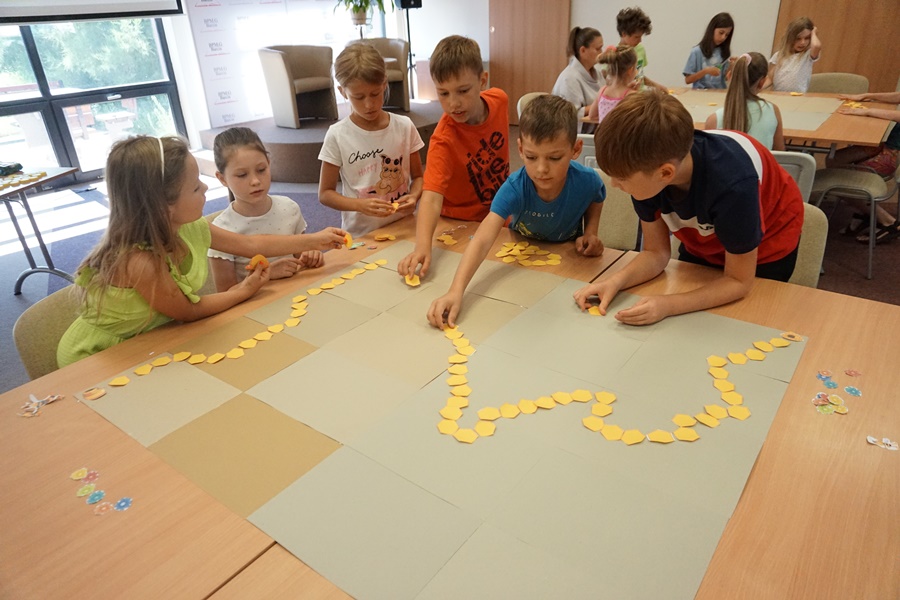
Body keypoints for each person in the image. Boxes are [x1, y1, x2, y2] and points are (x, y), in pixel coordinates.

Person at [57, 135, 347, 366]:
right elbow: (188, 311)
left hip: (153, 339)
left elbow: (250, 244)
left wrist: (315, 240)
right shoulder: (140, 262)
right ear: (163, 205)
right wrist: (243, 291)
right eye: (196, 187)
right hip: (99, 356)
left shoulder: (189, 226)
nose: (206, 189)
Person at [573, 92, 804, 325]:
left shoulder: (733, 185)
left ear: (665, 173)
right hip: (705, 238)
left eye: (621, 178)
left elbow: (739, 281)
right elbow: (656, 253)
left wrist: (668, 304)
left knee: (736, 323)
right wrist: (614, 282)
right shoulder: (647, 171)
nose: (613, 184)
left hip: (767, 246)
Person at [427, 94, 605, 329]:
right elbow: (481, 240)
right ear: (520, 149)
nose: (542, 169)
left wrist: (591, 231)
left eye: (554, 157)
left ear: (576, 149)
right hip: (521, 259)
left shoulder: (587, 180)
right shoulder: (515, 187)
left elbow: (597, 195)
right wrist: (455, 291)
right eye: (531, 157)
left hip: (567, 260)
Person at [398, 35, 510, 280]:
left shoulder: (500, 100)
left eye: (463, 91)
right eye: (443, 93)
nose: (453, 103)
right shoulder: (443, 140)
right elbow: (430, 199)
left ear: (482, 81)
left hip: (500, 211)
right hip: (460, 221)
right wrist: (422, 246)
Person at [318, 43, 424, 238]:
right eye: (358, 97)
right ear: (343, 92)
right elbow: (325, 193)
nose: (369, 104)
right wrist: (359, 205)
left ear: (384, 84)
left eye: (375, 94)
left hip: (404, 226)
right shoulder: (337, 135)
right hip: (362, 234)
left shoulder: (404, 126)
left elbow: (418, 177)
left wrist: (414, 196)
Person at [208, 127, 323, 292]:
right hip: (255, 308)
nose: (255, 181)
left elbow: (302, 257)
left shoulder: (289, 208)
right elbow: (225, 293)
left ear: (269, 163)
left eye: (261, 170)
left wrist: (312, 256)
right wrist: (268, 274)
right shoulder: (221, 231)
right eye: (242, 175)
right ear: (222, 179)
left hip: (298, 295)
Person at [828, 90, 900, 243]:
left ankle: (888, 222)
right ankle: (867, 213)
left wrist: (869, 112)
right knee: (833, 160)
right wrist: (867, 96)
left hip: (892, 155)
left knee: (836, 177)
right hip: (887, 146)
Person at [705, 52, 785, 151]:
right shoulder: (773, 111)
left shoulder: (714, 120)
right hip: (761, 166)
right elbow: (780, 154)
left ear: (729, 76)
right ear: (762, 82)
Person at [551, 27, 604, 126]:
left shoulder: (597, 73)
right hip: (573, 134)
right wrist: (602, 104)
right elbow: (571, 114)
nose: (601, 52)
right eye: (598, 49)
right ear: (583, 50)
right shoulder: (569, 78)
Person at [616, 6, 667, 93]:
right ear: (624, 34)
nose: (640, 40)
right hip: (627, 99)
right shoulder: (614, 54)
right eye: (636, 37)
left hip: (640, 96)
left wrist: (657, 86)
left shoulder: (640, 49)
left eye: (641, 36)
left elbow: (639, 75)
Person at [766, 17, 822, 93]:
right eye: (798, 38)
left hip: (798, 96)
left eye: (807, 38)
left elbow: (816, 46)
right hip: (778, 94)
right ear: (790, 38)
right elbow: (770, 78)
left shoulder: (808, 55)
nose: (803, 42)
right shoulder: (779, 55)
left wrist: (814, 32)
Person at [588, 45, 638, 126]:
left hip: (603, 137)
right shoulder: (632, 96)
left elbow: (592, 116)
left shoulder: (602, 91)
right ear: (630, 70)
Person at [683, 12, 734, 89]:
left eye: (727, 35)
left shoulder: (724, 52)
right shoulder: (696, 52)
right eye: (721, 33)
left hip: (719, 94)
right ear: (712, 29)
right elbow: (688, 80)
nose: (723, 37)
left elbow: (726, 78)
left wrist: (732, 66)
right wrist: (706, 71)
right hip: (700, 94)